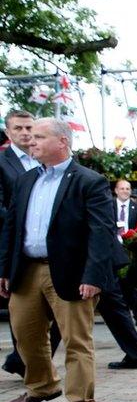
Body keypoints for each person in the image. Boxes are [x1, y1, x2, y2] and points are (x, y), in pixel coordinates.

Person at [0, 118, 116, 402]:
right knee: (25, 335)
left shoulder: (88, 181)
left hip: (71, 273)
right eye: (29, 136)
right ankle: (42, 385)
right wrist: (5, 269)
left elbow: (101, 232)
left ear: (62, 142)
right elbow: (12, 226)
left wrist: (93, 275)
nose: (30, 141)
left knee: (76, 341)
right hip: (26, 270)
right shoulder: (25, 180)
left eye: (39, 136)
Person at [0, 110, 58, 377]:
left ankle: (26, 363)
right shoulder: (3, 163)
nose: (25, 134)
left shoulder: (48, 162)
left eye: (29, 128)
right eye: (19, 128)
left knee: (58, 316)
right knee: (22, 316)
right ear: (8, 132)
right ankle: (29, 369)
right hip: (16, 249)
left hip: (53, 252)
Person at [114, 179, 137, 326]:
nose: (125, 191)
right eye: (122, 188)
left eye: (127, 189)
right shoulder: (108, 206)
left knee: (135, 282)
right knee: (118, 284)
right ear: (116, 190)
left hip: (133, 250)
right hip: (115, 248)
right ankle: (122, 315)